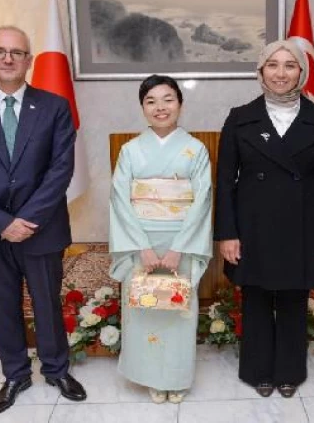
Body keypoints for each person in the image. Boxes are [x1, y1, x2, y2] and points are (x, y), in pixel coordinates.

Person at [0, 25, 86, 415]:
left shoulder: (55, 106)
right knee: (2, 306)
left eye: (17, 52)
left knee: (47, 304)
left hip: (41, 228)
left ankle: (57, 370)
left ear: (29, 60)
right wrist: (1, 222)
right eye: (0, 51)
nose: (8, 59)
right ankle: (15, 374)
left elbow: (61, 169)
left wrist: (25, 219)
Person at [214, 40, 314, 398]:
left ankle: (289, 370)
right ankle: (257, 371)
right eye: (273, 64)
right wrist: (227, 233)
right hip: (252, 223)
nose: (281, 73)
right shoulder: (240, 117)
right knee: (254, 297)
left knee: (293, 299)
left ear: (301, 72)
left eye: (290, 65)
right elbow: (224, 182)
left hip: (303, 224)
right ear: (260, 72)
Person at [109, 74, 212, 404]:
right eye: (151, 101)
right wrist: (142, 246)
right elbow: (120, 200)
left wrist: (179, 247)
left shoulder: (195, 150)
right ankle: (152, 375)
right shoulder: (130, 150)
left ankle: (176, 377)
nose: (160, 107)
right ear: (142, 107)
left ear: (180, 104)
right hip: (142, 242)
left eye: (168, 99)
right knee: (145, 308)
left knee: (179, 310)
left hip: (181, 241)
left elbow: (203, 199)